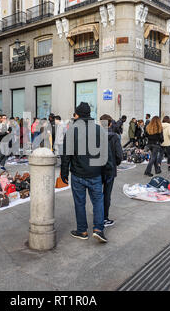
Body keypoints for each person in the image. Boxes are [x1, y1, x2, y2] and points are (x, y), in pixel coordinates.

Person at [61, 102, 108, 243]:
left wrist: (64, 174)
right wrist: (106, 174)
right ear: (89, 114)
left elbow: (66, 155)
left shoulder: (71, 130)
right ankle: (98, 229)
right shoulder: (99, 130)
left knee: (79, 203)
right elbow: (106, 155)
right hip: (95, 173)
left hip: (78, 173)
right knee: (98, 201)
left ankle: (82, 230)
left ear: (77, 114)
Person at [99, 114, 123, 228]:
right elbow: (119, 155)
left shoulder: (96, 135)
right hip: (110, 169)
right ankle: (104, 217)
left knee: (97, 194)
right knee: (107, 194)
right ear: (110, 124)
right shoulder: (115, 137)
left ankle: (98, 214)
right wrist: (115, 163)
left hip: (98, 169)